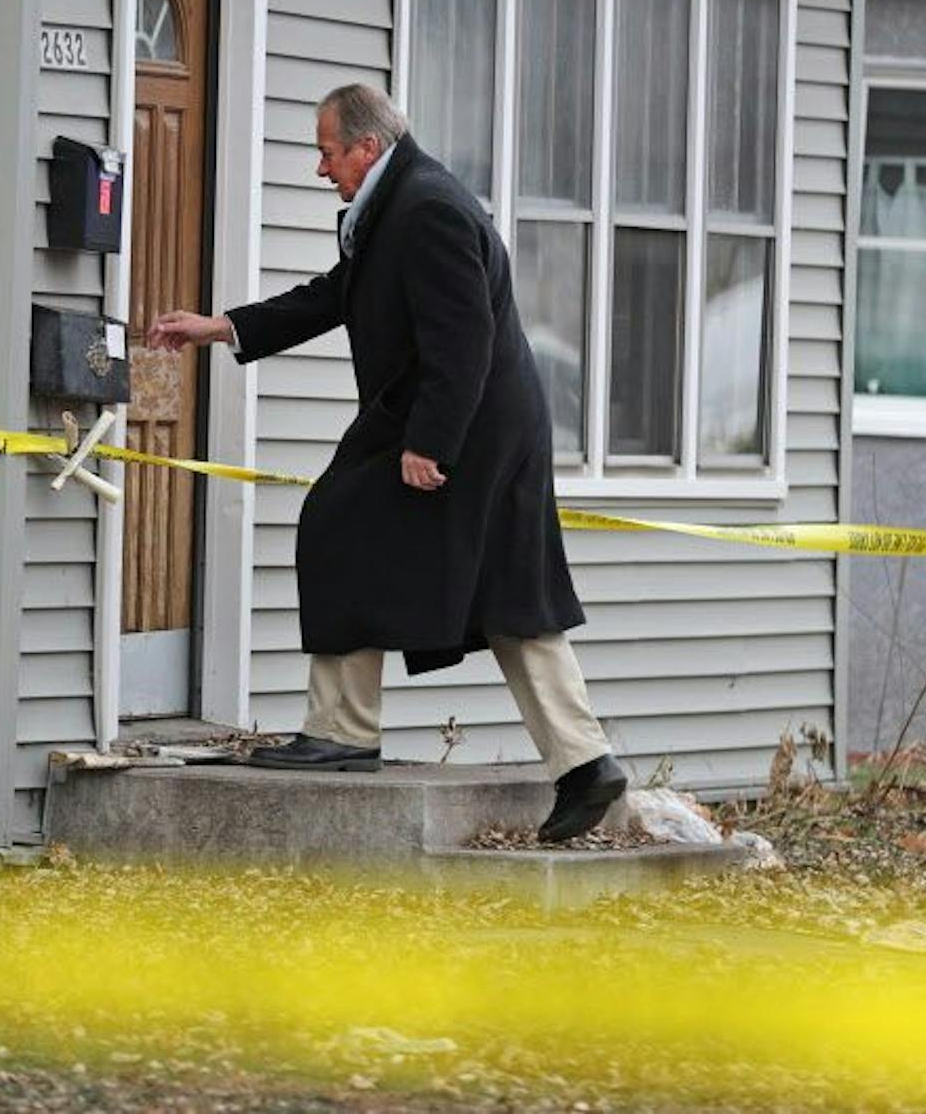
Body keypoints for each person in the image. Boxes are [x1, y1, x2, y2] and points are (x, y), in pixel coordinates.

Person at [148, 83, 629, 843]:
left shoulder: (428, 207)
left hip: (466, 423)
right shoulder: (400, 200)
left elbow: (464, 337)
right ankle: (586, 763)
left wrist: (429, 444)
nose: (320, 167)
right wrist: (222, 328)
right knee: (511, 592)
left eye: (327, 150)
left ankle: (342, 730)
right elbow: (336, 295)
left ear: (366, 147)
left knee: (340, 518)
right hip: (482, 421)